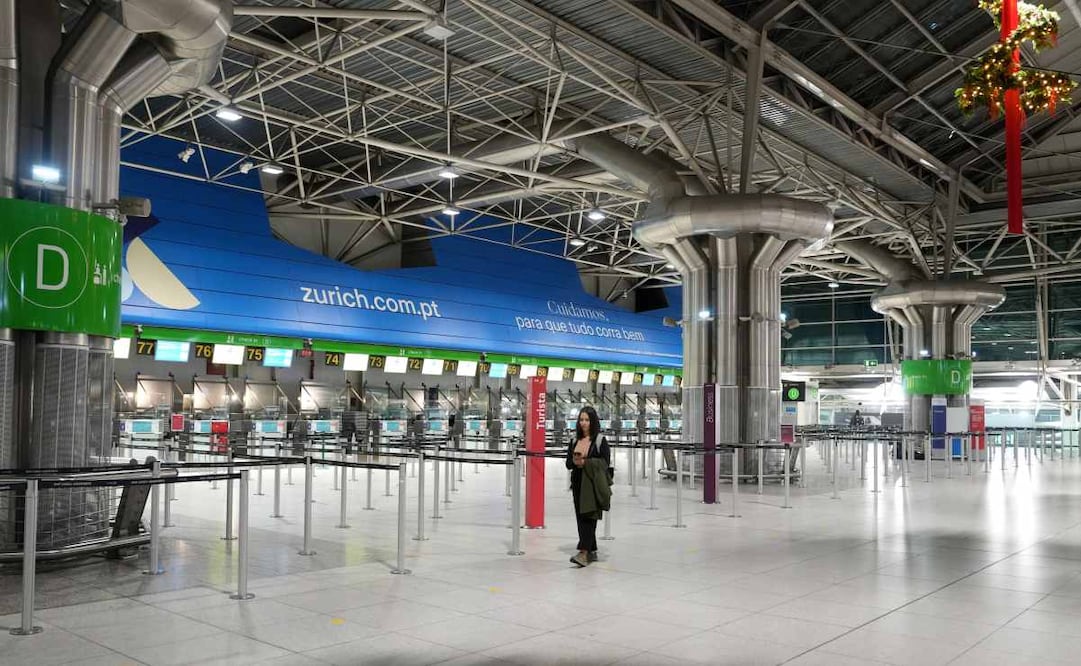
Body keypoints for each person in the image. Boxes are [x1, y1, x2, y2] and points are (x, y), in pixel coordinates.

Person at [565, 406, 611, 568]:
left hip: (591, 485)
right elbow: (568, 463)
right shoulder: (574, 440)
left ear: (593, 421)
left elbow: (605, 462)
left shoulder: (599, 441)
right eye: (581, 420)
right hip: (577, 484)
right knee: (581, 516)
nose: (584, 423)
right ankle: (591, 549)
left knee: (588, 517)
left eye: (587, 420)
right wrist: (575, 461)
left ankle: (583, 552)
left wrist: (587, 462)